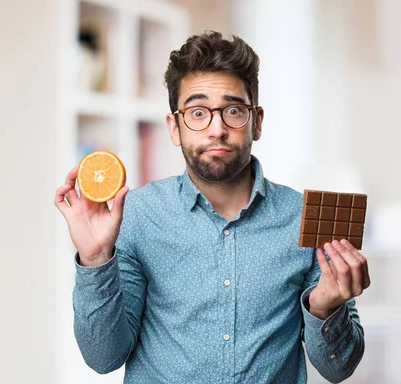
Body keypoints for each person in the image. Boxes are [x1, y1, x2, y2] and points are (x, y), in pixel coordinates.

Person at [54, 31, 370, 383]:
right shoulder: (135, 215)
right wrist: (96, 259)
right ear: (175, 127)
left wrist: (326, 308)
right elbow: (102, 358)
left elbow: (338, 368)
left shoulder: (304, 217)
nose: (216, 129)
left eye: (233, 110)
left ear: (257, 122)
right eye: (198, 112)